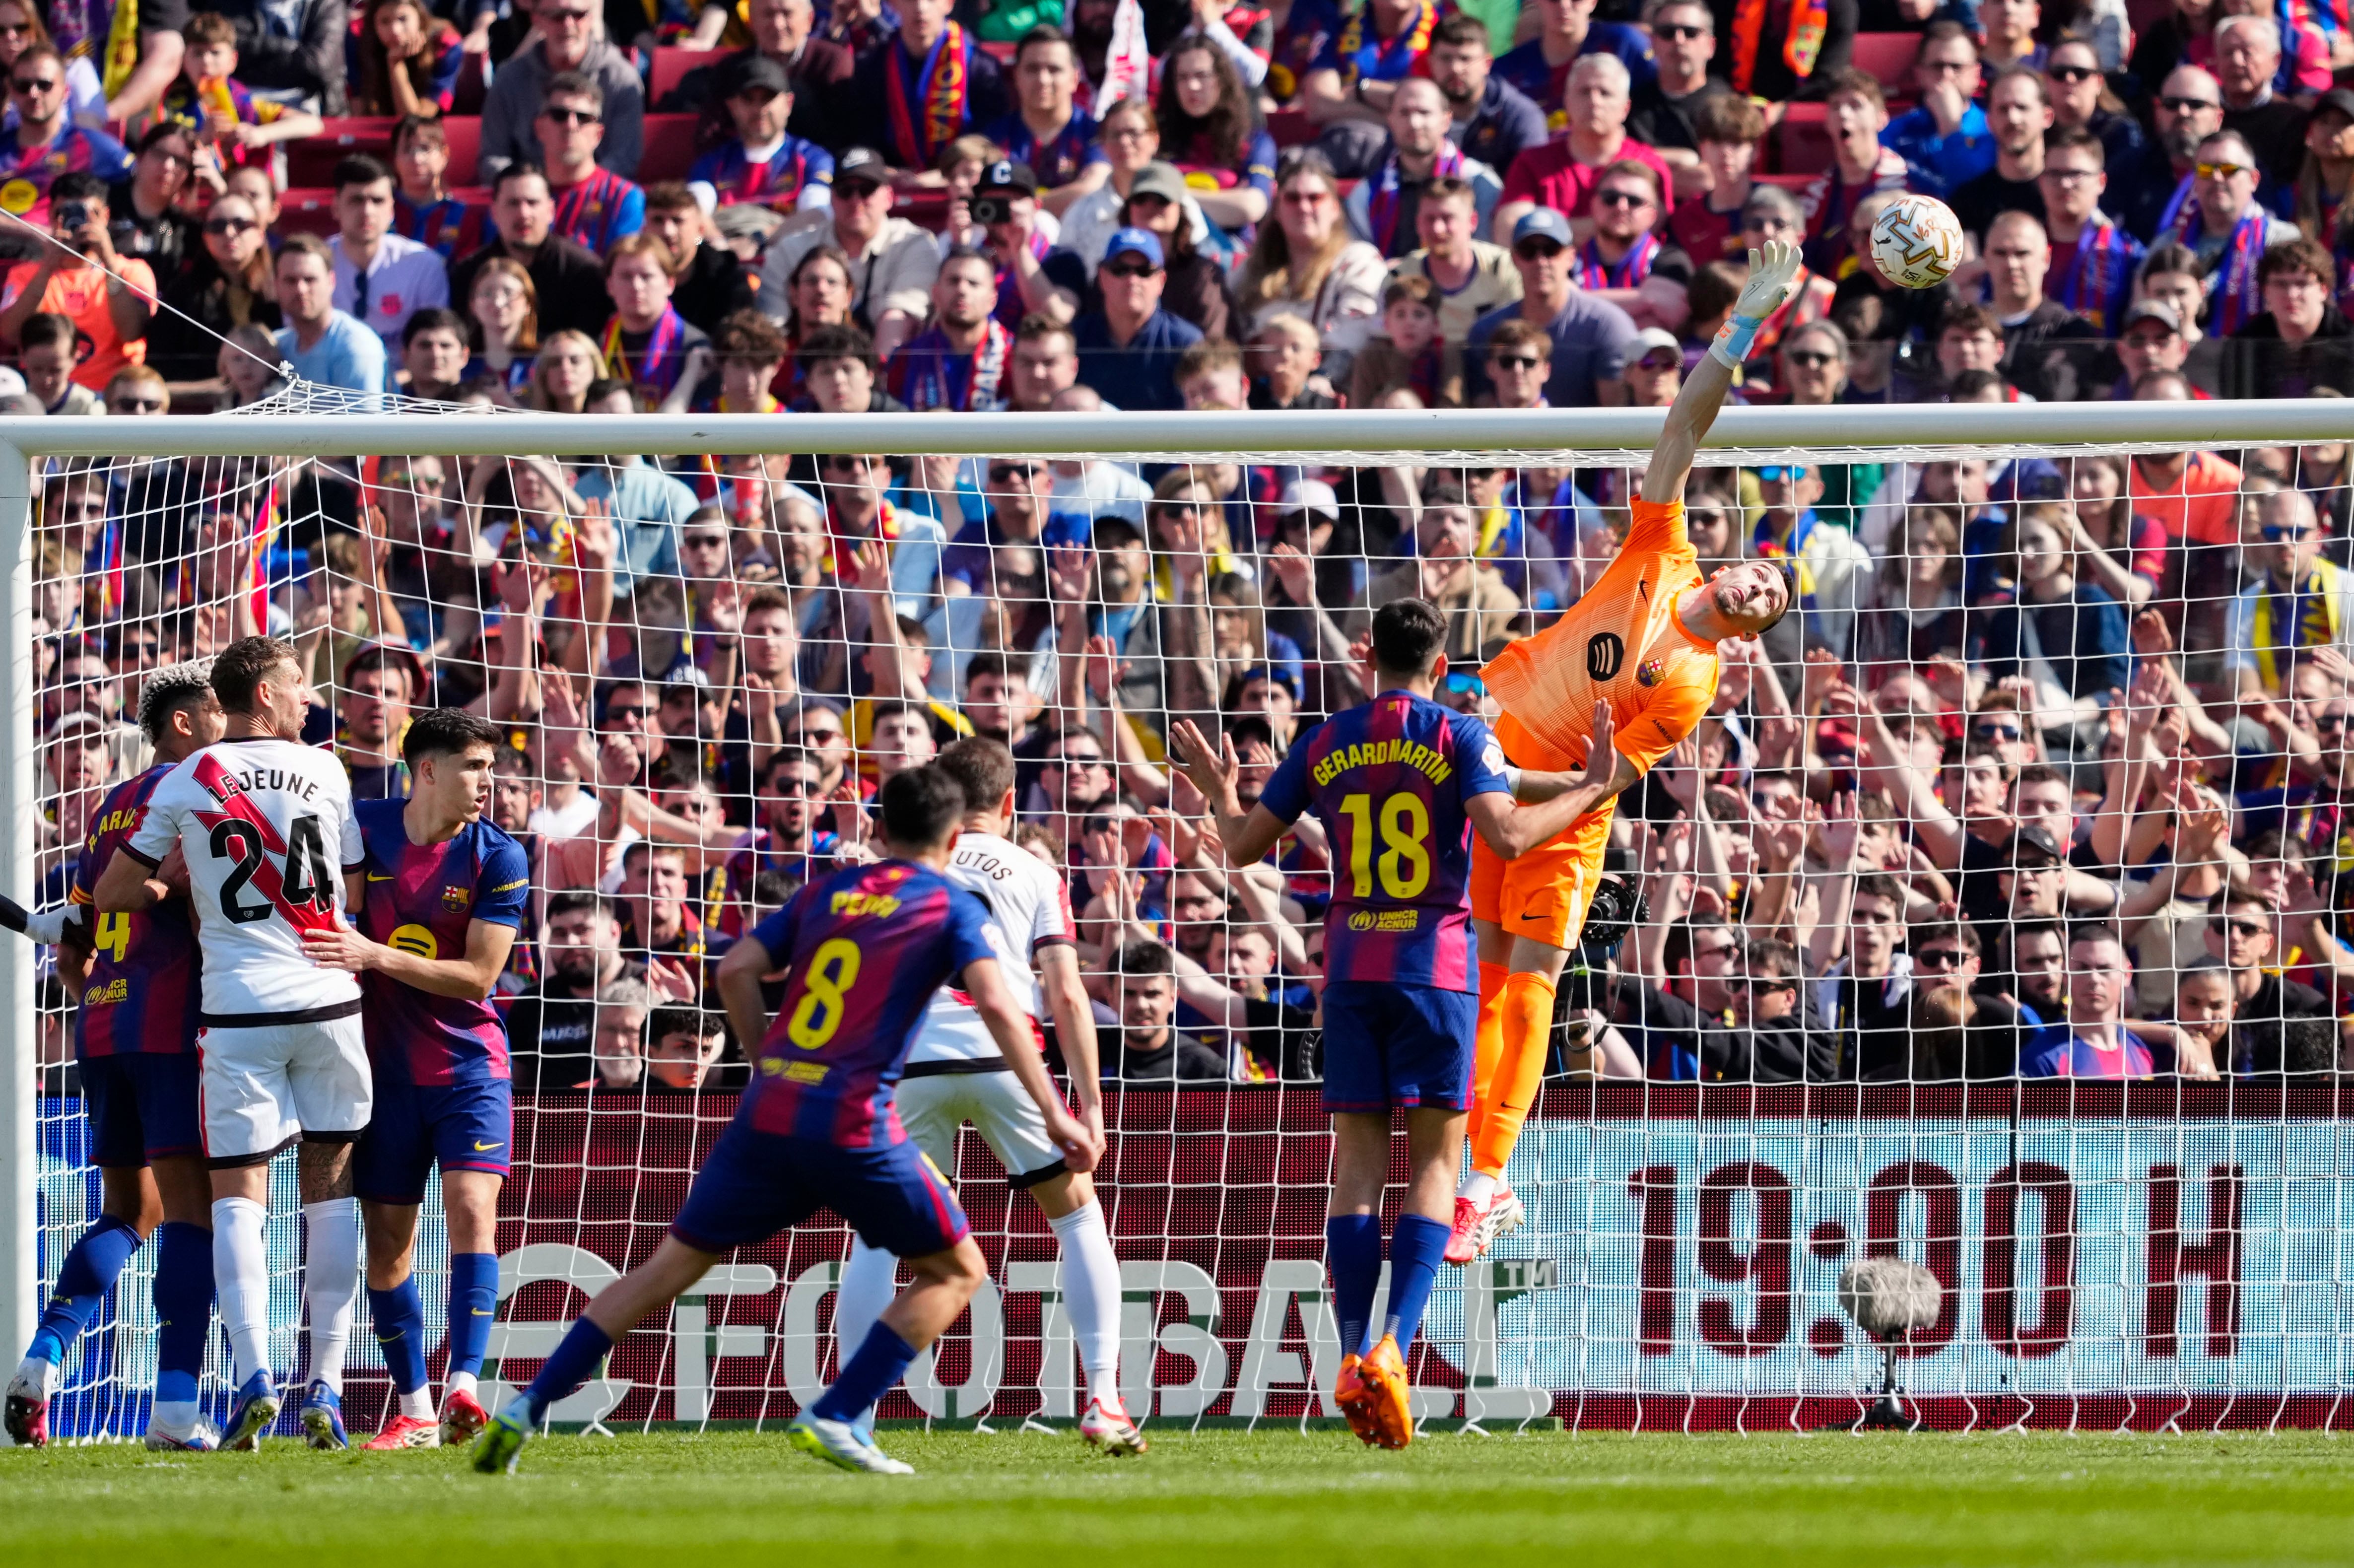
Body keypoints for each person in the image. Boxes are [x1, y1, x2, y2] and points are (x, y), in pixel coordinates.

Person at [471, 765, 1092, 1478]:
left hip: (768, 1111)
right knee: (958, 1270)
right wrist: (1057, 1111)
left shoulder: (828, 891)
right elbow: (1000, 1007)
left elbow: (735, 967)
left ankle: (525, 1406)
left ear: (880, 829)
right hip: (853, 1119)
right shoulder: (948, 902)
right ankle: (838, 1412)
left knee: (667, 1268)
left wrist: (766, 1059)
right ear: (955, 839)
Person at [1170, 597, 1605, 1448]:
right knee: (1436, 1161)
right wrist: (1592, 787)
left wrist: (1220, 792)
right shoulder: (1459, 732)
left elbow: (1242, 847)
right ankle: (1393, 1348)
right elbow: (1506, 833)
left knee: (1357, 1168)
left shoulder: (1326, 738)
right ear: (1440, 664)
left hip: (1350, 971)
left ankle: (1346, 1352)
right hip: (1433, 971)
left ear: (1367, 658)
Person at [1447, 241, 1801, 1261]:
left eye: (1771, 601)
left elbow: (1605, 778)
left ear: (1753, 631)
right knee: (1481, 985)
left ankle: (1486, 1179)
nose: (1757, 586)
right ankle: (1471, 1166)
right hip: (1492, 769)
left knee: (1528, 988)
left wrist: (1513, 786)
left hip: (1558, 817)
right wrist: (1739, 327)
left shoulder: (1689, 687)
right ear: (1733, 564)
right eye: (1760, 574)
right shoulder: (1660, 547)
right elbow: (1681, 426)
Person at [93, 637, 370, 1452]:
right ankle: (325, 1386)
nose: (309, 697)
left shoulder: (187, 777)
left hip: (238, 1009)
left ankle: (253, 1375)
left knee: (237, 1197)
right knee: (330, 1188)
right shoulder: (325, 770)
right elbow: (353, 885)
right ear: (264, 694)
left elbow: (113, 891)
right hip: (328, 997)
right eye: (297, 683)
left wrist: (171, 881)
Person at [828, 740, 1141, 1454]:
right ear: (1008, 802)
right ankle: (1103, 1396)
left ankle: (854, 1415)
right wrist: (1089, 1104)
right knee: (1077, 1215)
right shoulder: (1036, 870)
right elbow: (1066, 992)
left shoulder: (901, 866)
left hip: (910, 1058)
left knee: (878, 1237)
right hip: (1007, 1054)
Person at [288, 709, 525, 1452]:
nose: (488, 783)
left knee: (472, 1210)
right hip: (380, 1074)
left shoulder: (499, 855)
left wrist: (375, 955)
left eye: (490, 768)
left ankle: (464, 1387)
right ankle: (415, 1407)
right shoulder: (360, 829)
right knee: (388, 1244)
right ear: (426, 770)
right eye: (475, 766)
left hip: (469, 1069)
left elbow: (479, 976)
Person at [3, 663, 224, 1451]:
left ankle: (41, 1357)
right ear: (184, 722)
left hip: (103, 1026)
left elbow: (75, 951)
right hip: (171, 1023)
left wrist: (101, 990)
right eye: (216, 711)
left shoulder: (106, 810)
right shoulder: (198, 792)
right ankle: (176, 1409)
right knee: (194, 1213)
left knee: (131, 1211)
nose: (228, 724)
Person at [756, 145, 941, 360]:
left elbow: (898, 321)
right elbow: (773, 331)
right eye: (845, 191)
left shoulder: (912, 243)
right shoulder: (791, 250)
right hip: (803, 367)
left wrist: (876, 376)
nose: (855, 202)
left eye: (867, 190)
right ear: (832, 198)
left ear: (889, 197)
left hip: (883, 368)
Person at [1465, 207, 1639, 407]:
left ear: (1571, 257)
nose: (1541, 261)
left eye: (1551, 250)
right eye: (1529, 251)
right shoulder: (1486, 331)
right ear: (1515, 259)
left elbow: (1615, 417)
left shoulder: (1607, 326)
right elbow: (1482, 415)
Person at [1492, 54, 1675, 241]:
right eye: (1584, 92)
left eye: (1605, 93)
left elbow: (1644, 231)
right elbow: (1510, 229)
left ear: (1626, 108)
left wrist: (1546, 230)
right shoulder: (1533, 163)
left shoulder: (1648, 165)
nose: (1594, 101)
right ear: (1567, 102)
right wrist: (1608, 227)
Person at [0, 171, 155, 392]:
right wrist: (47, 269)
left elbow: (130, 333)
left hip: (114, 394)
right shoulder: (25, 274)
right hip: (47, 392)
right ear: (51, 216)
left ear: (106, 216)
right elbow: (10, 334)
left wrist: (109, 261)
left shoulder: (134, 270)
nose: (76, 223)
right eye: (65, 213)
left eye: (88, 214)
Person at [479, 0, 646, 184]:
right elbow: (493, 158)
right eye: (556, 16)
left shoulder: (621, 80)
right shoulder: (509, 80)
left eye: (578, 15)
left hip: (598, 196)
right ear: (537, 19)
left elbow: (623, 160)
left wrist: (577, 188)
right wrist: (536, 190)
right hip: (527, 195)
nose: (568, 24)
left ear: (591, 18)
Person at [1342, 75, 1500, 257]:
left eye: (1424, 113)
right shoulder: (1365, 196)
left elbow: (1488, 258)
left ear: (1446, 120)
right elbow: (1360, 261)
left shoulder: (1478, 183)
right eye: (1405, 113)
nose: (1414, 123)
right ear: (1390, 120)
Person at [451, 164, 610, 341]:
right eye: (513, 203)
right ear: (494, 213)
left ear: (551, 211)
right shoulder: (468, 274)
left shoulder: (584, 273)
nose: (524, 213)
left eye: (532, 203)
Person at [847, 0, 1009, 172]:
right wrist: (881, 170)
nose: (921, 8)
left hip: (961, 176)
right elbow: (863, 133)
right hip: (893, 176)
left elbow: (990, 138)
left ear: (949, 4)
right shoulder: (873, 64)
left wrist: (948, 173)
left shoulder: (980, 66)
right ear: (894, 4)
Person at [328, 154, 449, 356]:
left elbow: (434, 346)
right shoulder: (314, 265)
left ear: (392, 210)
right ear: (335, 207)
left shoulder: (423, 264)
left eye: (378, 201)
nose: (367, 211)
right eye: (356, 200)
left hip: (403, 375)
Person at [1071, 227, 1204, 412]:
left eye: (1144, 271)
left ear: (1161, 281)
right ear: (1102, 277)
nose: (1132, 280)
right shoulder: (1075, 338)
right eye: (1120, 270)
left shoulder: (1186, 343)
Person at [0, 43, 132, 225]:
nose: (33, 93)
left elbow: (144, 193)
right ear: (11, 90)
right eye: (23, 86)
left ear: (66, 90)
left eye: (44, 85)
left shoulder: (93, 145)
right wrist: (33, 233)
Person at [686, 52, 834, 213]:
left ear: (789, 104)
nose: (759, 110)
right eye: (748, 99)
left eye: (768, 99)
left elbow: (818, 214)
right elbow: (695, 216)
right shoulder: (711, 164)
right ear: (732, 107)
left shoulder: (813, 159)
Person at [982, 26, 1105, 216]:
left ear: (1075, 79)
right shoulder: (993, 137)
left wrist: (1019, 208)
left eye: (1054, 70)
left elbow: (1092, 189)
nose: (1043, 80)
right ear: (1016, 76)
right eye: (1032, 69)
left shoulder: (1097, 134)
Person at [2039, 127, 2143, 336]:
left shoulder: (2127, 253)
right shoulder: (2016, 249)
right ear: (2041, 181)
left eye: (2076, 174)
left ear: (2101, 182)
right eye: (2055, 174)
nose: (2065, 184)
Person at [1491, 0, 1657, 125]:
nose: (1564, 6)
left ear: (1593, 2)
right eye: (1554, 0)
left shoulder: (1624, 44)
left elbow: (1662, 102)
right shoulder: (1506, 69)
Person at [533, 70, 647, 251]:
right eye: (559, 115)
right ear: (540, 128)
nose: (571, 125)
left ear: (598, 135)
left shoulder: (624, 198)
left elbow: (627, 264)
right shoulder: (518, 198)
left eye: (583, 118)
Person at [1880, 23, 1994, 201]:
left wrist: (1950, 127)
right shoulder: (1894, 132)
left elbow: (1974, 192)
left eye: (1957, 67)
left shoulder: (1992, 129)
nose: (1947, 76)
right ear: (1919, 74)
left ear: (1976, 75)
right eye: (1937, 66)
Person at [273, 232, 389, 401]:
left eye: (310, 280)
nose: (301, 290)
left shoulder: (356, 347)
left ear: (331, 282)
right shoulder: (277, 346)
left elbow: (365, 418)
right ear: (276, 285)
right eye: (290, 281)